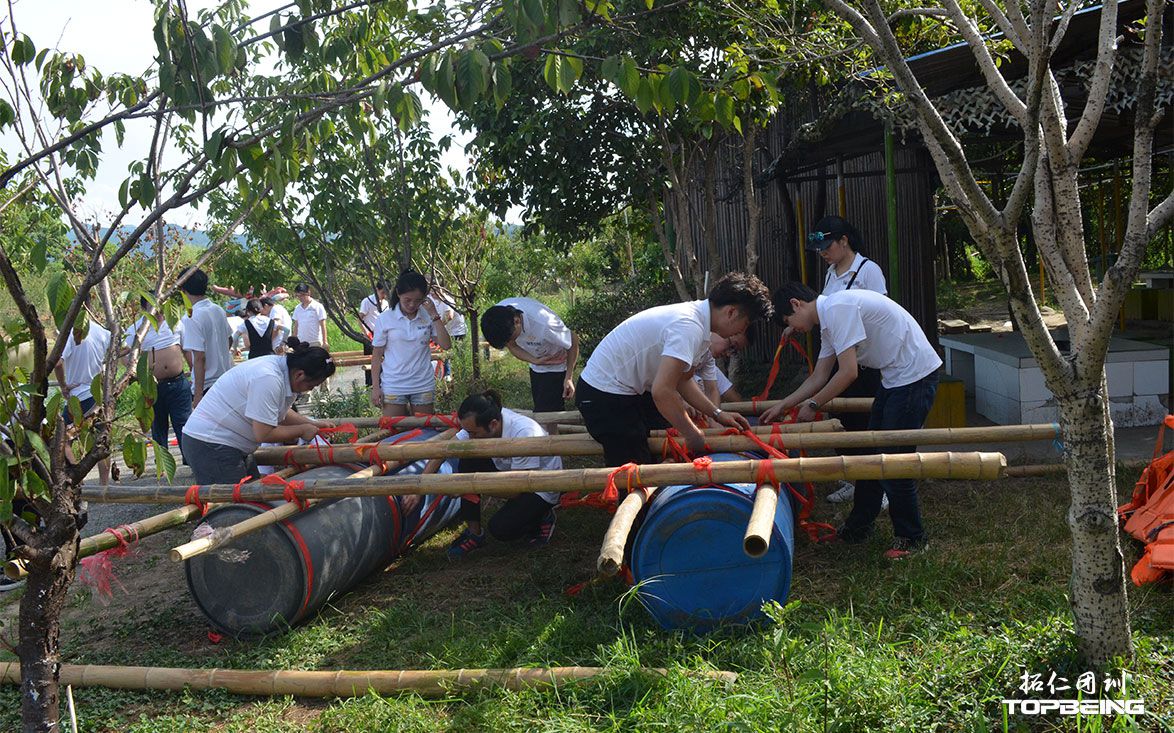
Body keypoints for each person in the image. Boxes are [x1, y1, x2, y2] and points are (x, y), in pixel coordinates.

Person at [762, 283, 941, 559]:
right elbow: (819, 376)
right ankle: (858, 528)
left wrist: (813, 404)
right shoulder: (830, 320)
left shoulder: (838, 309)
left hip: (914, 377)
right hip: (897, 379)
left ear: (797, 304)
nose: (793, 328)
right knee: (872, 457)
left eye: (789, 321)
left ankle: (912, 538)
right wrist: (784, 405)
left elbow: (848, 373)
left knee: (894, 462)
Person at [575, 273, 773, 466]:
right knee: (634, 472)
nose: (741, 331)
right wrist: (692, 434)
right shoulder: (689, 326)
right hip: (603, 394)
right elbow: (663, 391)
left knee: (659, 444)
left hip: (627, 391)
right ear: (731, 313)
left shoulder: (700, 326)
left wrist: (718, 413)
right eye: (745, 324)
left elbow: (683, 380)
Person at [801, 215, 890, 507]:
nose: (824, 253)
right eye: (821, 249)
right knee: (842, 423)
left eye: (828, 246)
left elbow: (879, 314)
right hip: (842, 359)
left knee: (868, 427)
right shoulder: (830, 273)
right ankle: (853, 480)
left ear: (844, 241)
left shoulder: (868, 270)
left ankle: (881, 487)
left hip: (865, 362)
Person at [423, 391, 560, 558]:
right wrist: (419, 486)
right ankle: (475, 534)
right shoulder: (480, 423)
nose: (470, 437)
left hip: (539, 486)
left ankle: (542, 515)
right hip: (510, 472)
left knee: (501, 529)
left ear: (493, 425)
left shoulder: (524, 433)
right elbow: (445, 450)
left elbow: (515, 489)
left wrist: (468, 486)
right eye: (468, 433)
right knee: (467, 459)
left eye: (474, 433)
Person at [180, 338, 337, 485]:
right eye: (312, 386)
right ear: (300, 375)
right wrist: (302, 430)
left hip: (226, 444)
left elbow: (277, 413)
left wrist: (312, 424)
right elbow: (263, 434)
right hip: (211, 443)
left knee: (251, 499)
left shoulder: (284, 374)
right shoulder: (269, 378)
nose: (311, 389)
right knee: (235, 509)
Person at [369, 270, 452, 417]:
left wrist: (434, 315)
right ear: (399, 294)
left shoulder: (428, 316)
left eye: (418, 300)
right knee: (394, 430)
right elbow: (376, 355)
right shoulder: (386, 318)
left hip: (422, 383)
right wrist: (376, 387)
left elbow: (446, 345)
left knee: (423, 430)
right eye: (407, 300)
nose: (412, 304)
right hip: (394, 384)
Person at [481, 296, 579, 415]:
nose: (510, 343)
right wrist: (535, 361)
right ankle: (550, 431)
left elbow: (573, 341)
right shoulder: (497, 317)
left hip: (556, 362)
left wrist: (568, 377)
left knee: (547, 413)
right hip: (537, 362)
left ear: (517, 321)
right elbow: (512, 346)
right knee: (542, 407)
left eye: (511, 338)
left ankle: (550, 432)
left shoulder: (545, 324)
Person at [123, 297, 191, 455]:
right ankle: (162, 463)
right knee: (158, 426)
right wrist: (135, 372)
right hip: (152, 387)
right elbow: (124, 354)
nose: (159, 312)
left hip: (178, 383)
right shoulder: (135, 329)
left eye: (161, 307)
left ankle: (191, 459)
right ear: (144, 309)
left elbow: (186, 349)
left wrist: (194, 372)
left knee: (184, 423)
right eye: (154, 308)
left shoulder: (175, 322)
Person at [55, 311, 113, 485]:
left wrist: (63, 385)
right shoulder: (102, 331)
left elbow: (57, 362)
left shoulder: (72, 333)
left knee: (61, 439)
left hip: (79, 397)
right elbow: (122, 349)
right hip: (98, 395)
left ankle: (77, 481)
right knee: (101, 438)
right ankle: (104, 485)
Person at [180, 268, 234, 408]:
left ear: (184, 290)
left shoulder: (191, 317)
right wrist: (219, 356)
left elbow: (199, 358)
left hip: (207, 386)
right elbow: (229, 339)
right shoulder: (218, 309)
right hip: (225, 379)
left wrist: (198, 396)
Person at [696, 331, 748, 404]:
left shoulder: (708, 358)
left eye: (734, 351)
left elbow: (712, 390)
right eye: (731, 346)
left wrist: (717, 414)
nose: (728, 354)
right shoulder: (691, 339)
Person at [358, 282, 389, 387]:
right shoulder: (367, 301)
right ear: (377, 289)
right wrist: (365, 333)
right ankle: (369, 385)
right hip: (370, 335)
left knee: (383, 361)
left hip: (383, 336)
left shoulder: (386, 303)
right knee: (370, 361)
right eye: (382, 292)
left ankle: (382, 383)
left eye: (386, 293)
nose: (384, 295)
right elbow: (360, 318)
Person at [291, 284, 328, 348]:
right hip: (301, 342)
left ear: (308, 293)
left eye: (302, 295)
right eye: (298, 296)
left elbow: (322, 324)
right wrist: (293, 342)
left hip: (315, 342)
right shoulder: (297, 308)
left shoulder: (317, 306)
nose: (300, 298)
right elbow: (296, 326)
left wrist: (325, 341)